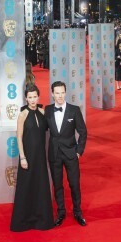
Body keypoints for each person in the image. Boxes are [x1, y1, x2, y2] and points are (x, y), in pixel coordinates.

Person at [10, 85, 54, 232]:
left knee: (40, 186)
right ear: (26, 98)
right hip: (27, 156)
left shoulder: (42, 112)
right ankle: (24, 221)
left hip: (40, 156)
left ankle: (42, 219)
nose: (33, 99)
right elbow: (19, 137)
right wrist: (22, 157)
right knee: (26, 187)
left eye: (35, 96)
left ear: (38, 96)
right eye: (30, 97)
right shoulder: (22, 114)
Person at [46, 81, 88, 227]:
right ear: (52, 94)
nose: (60, 96)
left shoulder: (74, 110)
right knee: (57, 185)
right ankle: (61, 212)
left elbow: (83, 132)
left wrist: (78, 151)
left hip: (71, 154)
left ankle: (78, 211)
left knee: (74, 184)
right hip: (54, 154)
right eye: (57, 93)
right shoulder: (47, 110)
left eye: (62, 92)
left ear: (65, 92)